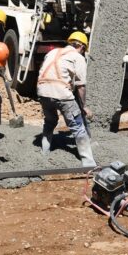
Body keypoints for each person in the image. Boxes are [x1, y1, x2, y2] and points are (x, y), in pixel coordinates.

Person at [36, 31, 96, 167]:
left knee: (50, 122)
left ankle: (44, 153)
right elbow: (81, 86)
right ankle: (89, 163)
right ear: (82, 47)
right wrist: (84, 107)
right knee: (78, 128)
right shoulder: (78, 57)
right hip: (62, 94)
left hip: (43, 92)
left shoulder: (52, 53)